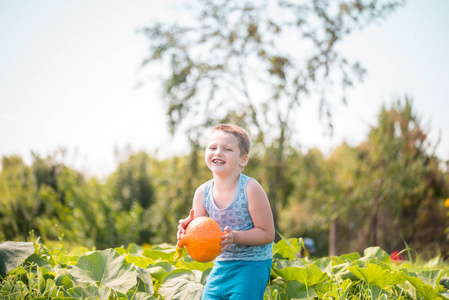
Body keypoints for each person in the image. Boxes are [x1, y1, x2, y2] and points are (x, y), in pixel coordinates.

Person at [177, 124, 275, 300]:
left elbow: (267, 234)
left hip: (252, 265)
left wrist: (235, 237)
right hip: (222, 264)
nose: (218, 152)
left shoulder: (250, 189)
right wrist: (186, 230)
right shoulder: (202, 192)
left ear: (243, 160)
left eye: (227, 149)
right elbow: (199, 233)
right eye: (212, 147)